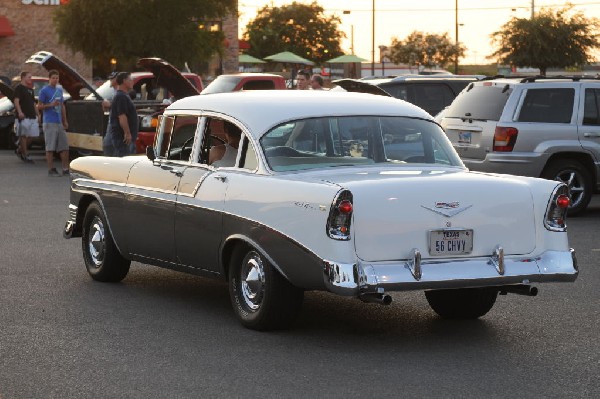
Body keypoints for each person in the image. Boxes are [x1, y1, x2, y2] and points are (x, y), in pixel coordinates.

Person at [38, 69, 69, 177]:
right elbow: (39, 106)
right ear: (49, 79)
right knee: (50, 147)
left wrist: (65, 120)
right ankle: (50, 169)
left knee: (64, 146)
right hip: (49, 121)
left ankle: (65, 169)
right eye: (53, 78)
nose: (55, 80)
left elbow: (62, 106)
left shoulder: (59, 90)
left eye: (57, 78)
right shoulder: (44, 90)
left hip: (59, 121)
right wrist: (50, 105)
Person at [13, 71, 40, 164]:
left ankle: (20, 149)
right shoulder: (19, 88)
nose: (30, 79)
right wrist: (20, 112)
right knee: (23, 136)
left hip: (32, 116)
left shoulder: (31, 90)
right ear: (23, 77)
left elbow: (33, 104)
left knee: (33, 135)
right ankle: (25, 155)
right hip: (23, 117)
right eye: (29, 77)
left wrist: (38, 115)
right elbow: (16, 101)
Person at [109, 72, 138, 156]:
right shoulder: (121, 96)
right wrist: (127, 133)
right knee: (124, 162)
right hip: (123, 138)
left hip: (125, 138)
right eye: (130, 79)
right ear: (124, 81)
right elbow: (122, 116)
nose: (132, 81)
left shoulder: (124, 95)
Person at [102, 71, 119, 156]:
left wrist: (110, 105)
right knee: (107, 145)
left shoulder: (120, 91)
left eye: (112, 79)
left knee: (111, 146)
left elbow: (121, 107)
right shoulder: (113, 92)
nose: (110, 80)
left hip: (117, 124)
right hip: (112, 122)